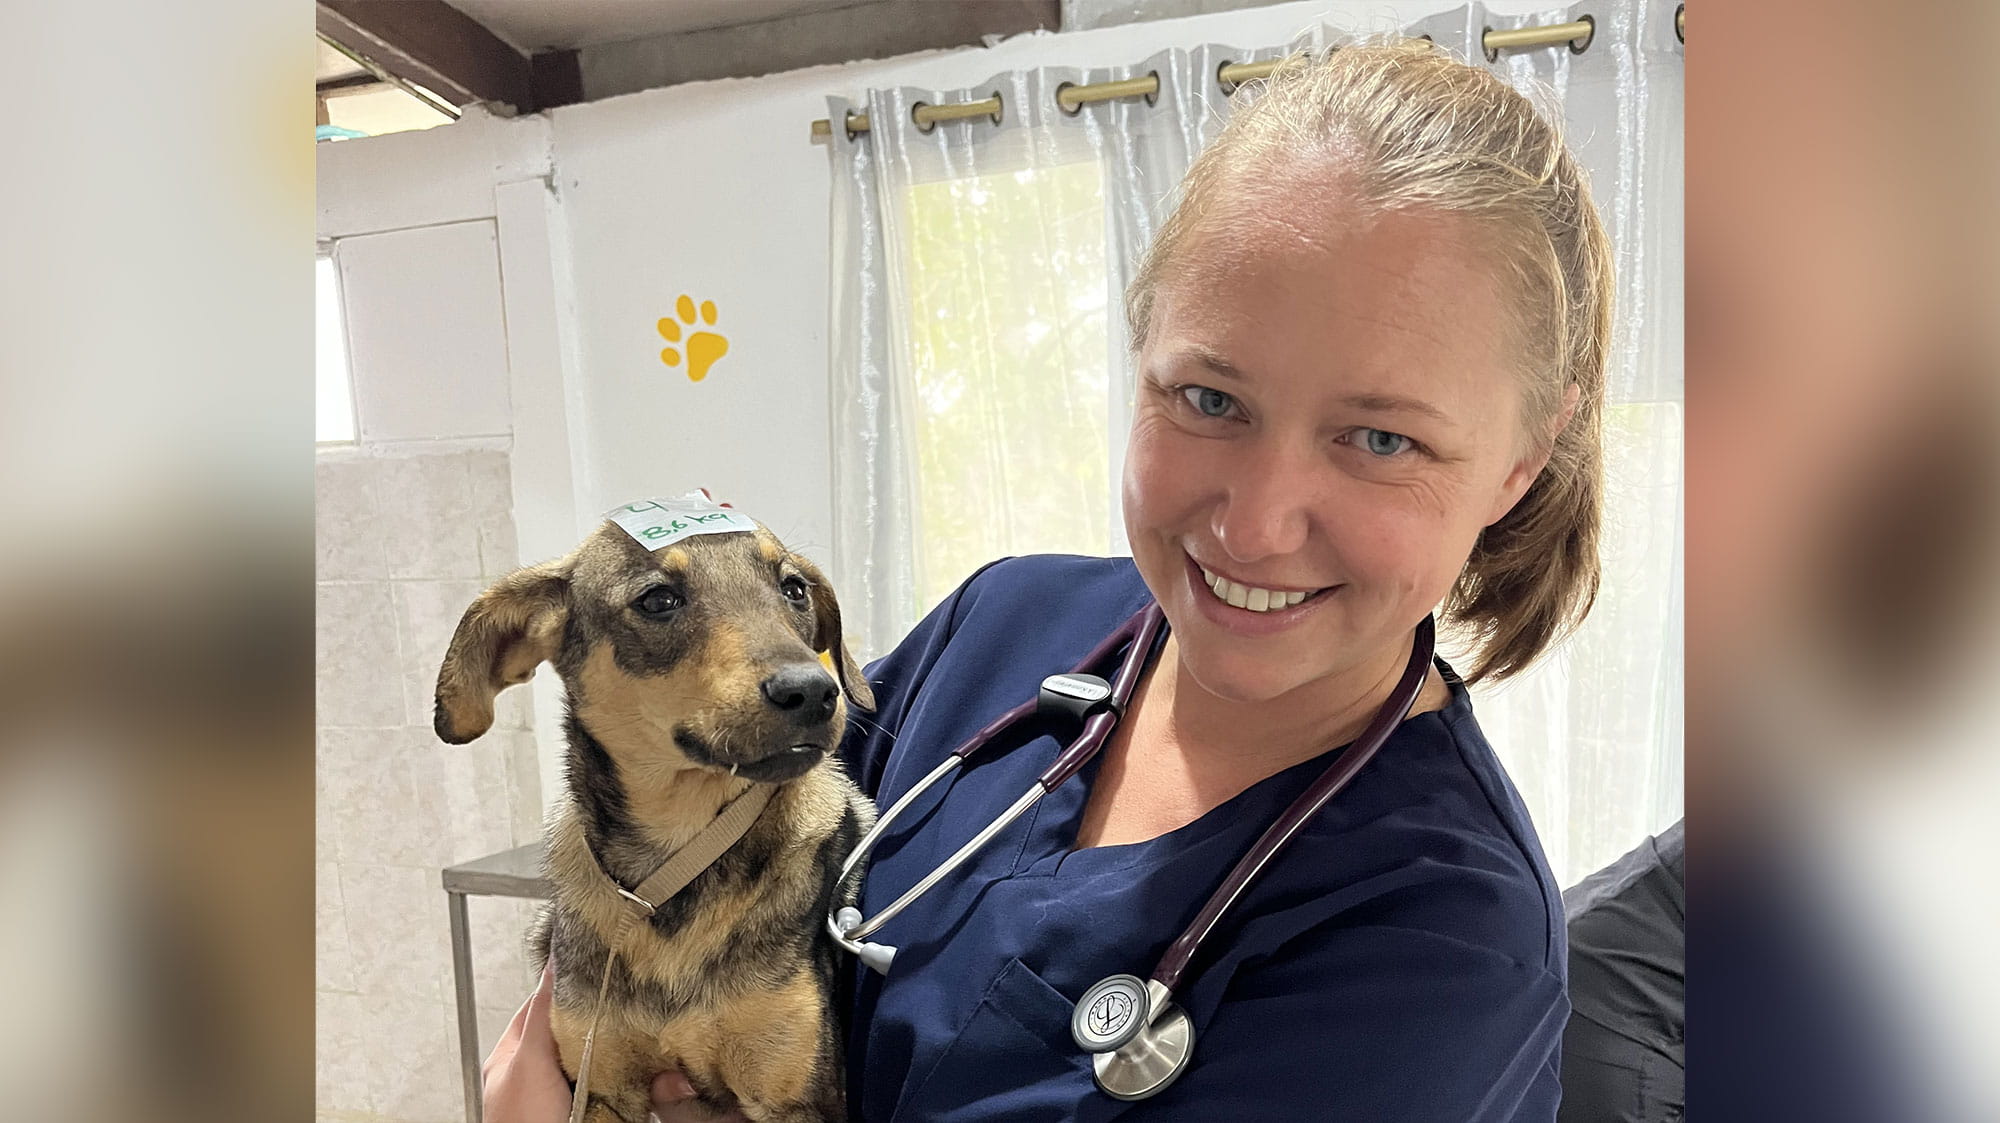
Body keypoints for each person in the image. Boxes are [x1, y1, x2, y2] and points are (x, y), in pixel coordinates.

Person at [488, 36, 1611, 1122]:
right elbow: (704, 861)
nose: (1256, 524)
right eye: (1209, 400)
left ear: (1520, 457)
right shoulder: (1003, 626)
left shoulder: (1441, 948)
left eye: (1378, 439)